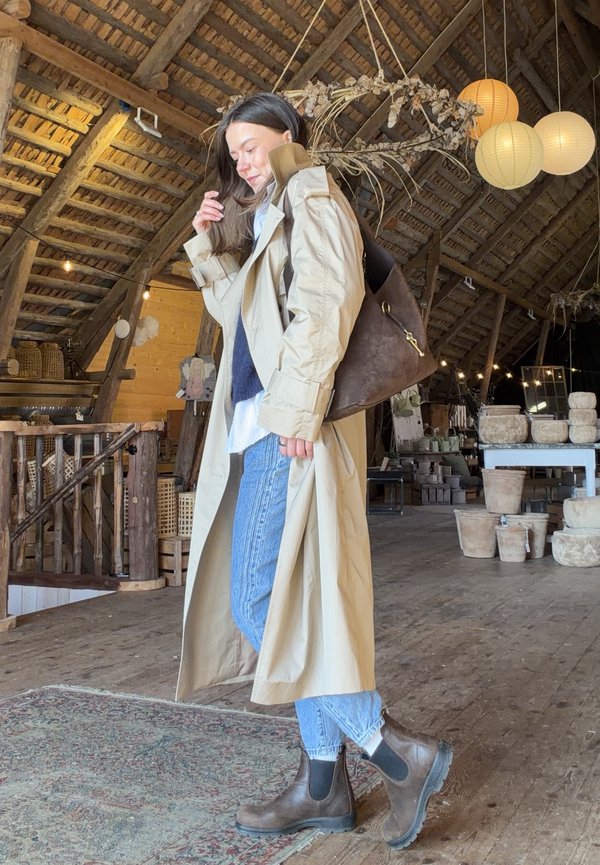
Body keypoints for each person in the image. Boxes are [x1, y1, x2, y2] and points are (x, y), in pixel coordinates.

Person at [177, 93, 452, 850]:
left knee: (259, 598)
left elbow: (327, 305)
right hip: (261, 431)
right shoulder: (271, 212)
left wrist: (293, 415)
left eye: (254, 143)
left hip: (286, 433)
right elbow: (246, 320)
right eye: (233, 150)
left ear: (291, 136)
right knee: (294, 604)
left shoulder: (315, 194)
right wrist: (206, 248)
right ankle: (324, 786)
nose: (242, 158)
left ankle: (396, 752)